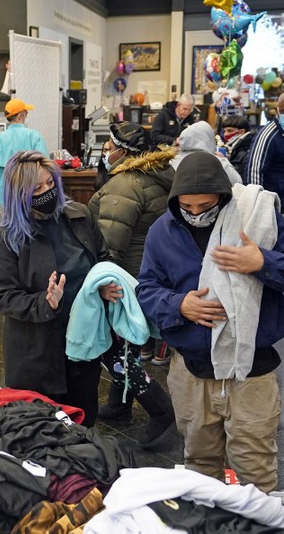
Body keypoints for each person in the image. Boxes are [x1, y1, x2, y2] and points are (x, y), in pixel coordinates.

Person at [137, 152, 284, 492]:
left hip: (251, 370)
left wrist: (263, 260)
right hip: (192, 371)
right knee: (198, 465)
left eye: (204, 206)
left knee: (256, 470)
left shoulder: (255, 218)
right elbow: (146, 289)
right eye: (186, 207)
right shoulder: (163, 231)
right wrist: (179, 305)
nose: (196, 214)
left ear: (222, 196)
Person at [0, 151, 122, 427]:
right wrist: (45, 302)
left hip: (83, 340)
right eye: (36, 189)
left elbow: (102, 259)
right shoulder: (7, 237)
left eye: (50, 183)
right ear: (18, 194)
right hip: (37, 349)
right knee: (41, 427)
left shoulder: (79, 216)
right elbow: (3, 296)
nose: (46, 192)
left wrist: (103, 285)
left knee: (83, 419)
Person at [88, 122, 177, 447]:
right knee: (126, 345)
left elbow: (109, 244)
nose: (106, 152)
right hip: (148, 277)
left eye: (108, 146)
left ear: (122, 150)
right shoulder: (157, 175)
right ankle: (119, 406)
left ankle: (161, 410)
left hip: (124, 280)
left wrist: (100, 283)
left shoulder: (124, 186)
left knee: (113, 350)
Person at [244, 91, 284, 214]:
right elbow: (254, 173)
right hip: (268, 207)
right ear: (276, 110)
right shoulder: (268, 136)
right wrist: (258, 207)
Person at [0, 99, 50, 209]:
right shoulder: (34, 136)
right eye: (26, 113)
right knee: (31, 225)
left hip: (5, 196)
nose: (26, 116)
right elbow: (45, 164)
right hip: (31, 193)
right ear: (20, 116)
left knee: (7, 225)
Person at [170, 121, 243, 185]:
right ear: (209, 139)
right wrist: (224, 160)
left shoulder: (172, 161)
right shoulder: (218, 162)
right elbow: (237, 183)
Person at [221, 115, 256, 180]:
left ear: (242, 132)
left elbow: (236, 177)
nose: (225, 134)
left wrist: (223, 160)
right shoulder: (238, 148)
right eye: (224, 131)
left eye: (229, 131)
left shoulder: (244, 152)